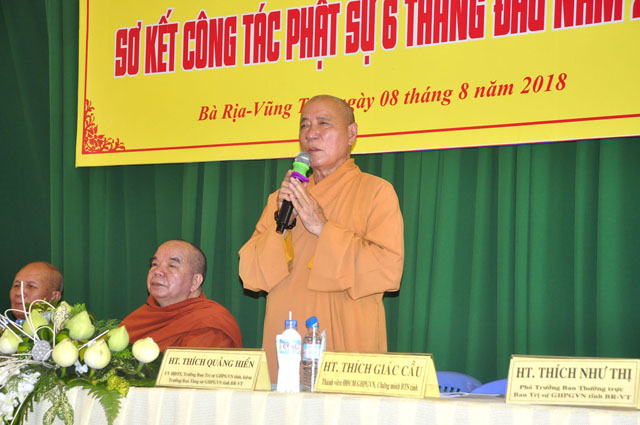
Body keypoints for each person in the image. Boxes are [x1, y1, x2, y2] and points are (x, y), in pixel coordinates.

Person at [239, 94, 404, 383]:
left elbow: (388, 270)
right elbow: (251, 275)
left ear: (351, 134)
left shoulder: (376, 192)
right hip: (286, 339)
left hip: (345, 338)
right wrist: (283, 226)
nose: (311, 134)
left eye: (323, 124)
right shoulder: (280, 199)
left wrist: (323, 228)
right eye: (304, 125)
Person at [121, 239, 242, 350]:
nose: (157, 271)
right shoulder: (138, 320)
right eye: (154, 264)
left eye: (171, 265)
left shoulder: (209, 324)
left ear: (195, 281)